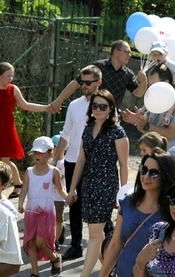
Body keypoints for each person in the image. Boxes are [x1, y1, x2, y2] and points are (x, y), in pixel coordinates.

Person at [66, 89, 129, 277]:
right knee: (99, 233)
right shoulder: (87, 128)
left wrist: (123, 194)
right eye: (95, 105)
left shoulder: (117, 131)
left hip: (106, 185)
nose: (98, 109)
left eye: (103, 106)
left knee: (94, 233)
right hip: (88, 185)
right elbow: (81, 160)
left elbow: (124, 164)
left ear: (111, 109)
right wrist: (72, 188)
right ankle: (112, 273)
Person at [51, 65, 103, 261]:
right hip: (73, 160)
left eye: (88, 83)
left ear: (99, 83)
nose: (84, 86)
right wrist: (56, 160)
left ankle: (106, 240)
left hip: (94, 162)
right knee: (74, 203)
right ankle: (75, 245)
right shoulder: (74, 105)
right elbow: (65, 134)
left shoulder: (105, 105)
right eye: (82, 82)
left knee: (95, 203)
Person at [0, 62, 50, 200]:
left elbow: (25, 105)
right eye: (8, 75)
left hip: (6, 127)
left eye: (12, 76)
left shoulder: (13, 89)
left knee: (5, 159)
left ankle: (18, 184)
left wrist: (46, 107)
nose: (10, 78)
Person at [49, 40, 147, 115]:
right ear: (116, 52)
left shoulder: (128, 74)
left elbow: (138, 93)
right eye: (127, 52)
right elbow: (76, 83)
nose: (129, 55)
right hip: (92, 113)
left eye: (130, 53)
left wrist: (143, 82)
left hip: (111, 117)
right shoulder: (98, 66)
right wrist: (58, 101)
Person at [18, 136, 68, 277]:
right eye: (35, 152)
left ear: (50, 153)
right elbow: (24, 189)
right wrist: (20, 203)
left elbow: (60, 190)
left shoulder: (53, 171)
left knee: (41, 241)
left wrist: (69, 197)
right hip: (31, 211)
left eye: (41, 152)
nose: (37, 155)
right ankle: (35, 273)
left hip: (47, 211)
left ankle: (54, 258)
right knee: (31, 242)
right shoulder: (29, 171)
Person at [122, 63, 175, 148]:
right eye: (150, 85)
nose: (151, 88)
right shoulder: (153, 98)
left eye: (154, 84)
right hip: (151, 154)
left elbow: (169, 134)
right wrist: (138, 121)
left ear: (166, 83)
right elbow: (144, 129)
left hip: (170, 157)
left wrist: (146, 125)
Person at [149, 40, 175, 126]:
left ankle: (168, 116)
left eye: (160, 54)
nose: (157, 56)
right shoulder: (159, 65)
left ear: (166, 54)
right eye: (154, 54)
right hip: (173, 84)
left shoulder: (170, 64)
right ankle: (145, 109)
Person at [50, 134, 67, 248]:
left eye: (55, 148)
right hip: (47, 196)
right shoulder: (49, 161)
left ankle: (55, 241)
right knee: (48, 219)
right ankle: (55, 235)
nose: (53, 151)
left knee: (58, 220)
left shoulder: (65, 164)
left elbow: (60, 178)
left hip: (58, 197)